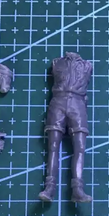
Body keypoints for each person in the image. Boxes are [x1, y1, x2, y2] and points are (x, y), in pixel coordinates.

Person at [39, 52, 93, 203]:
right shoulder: (57, 62)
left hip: (78, 103)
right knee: (53, 147)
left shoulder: (87, 65)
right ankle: (49, 187)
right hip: (58, 102)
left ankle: (77, 189)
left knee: (80, 147)